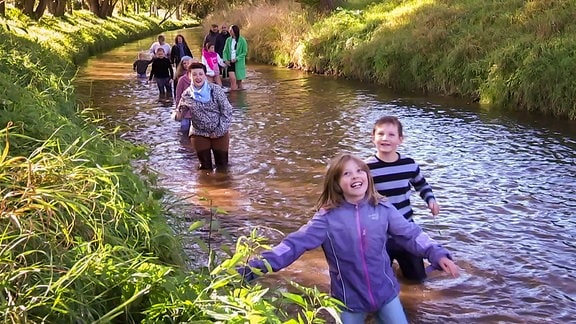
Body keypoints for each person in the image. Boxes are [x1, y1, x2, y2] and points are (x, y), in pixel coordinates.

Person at [238, 153, 459, 323]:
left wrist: (436, 253)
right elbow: (294, 245)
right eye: (347, 173)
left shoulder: (382, 208)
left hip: (386, 293)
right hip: (348, 299)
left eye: (360, 171)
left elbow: (411, 234)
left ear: (367, 177)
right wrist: (258, 267)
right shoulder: (326, 219)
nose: (356, 176)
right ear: (336, 183)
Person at [365, 115, 441, 283]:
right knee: (377, 281)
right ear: (373, 138)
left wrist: (431, 201)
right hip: (379, 234)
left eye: (391, 135)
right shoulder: (366, 168)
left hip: (406, 230)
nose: (385, 138)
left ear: (400, 139)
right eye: (381, 134)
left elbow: (422, 185)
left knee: (418, 280)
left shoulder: (409, 164)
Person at [178, 62, 233, 171]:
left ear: (205, 75)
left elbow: (227, 111)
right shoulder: (187, 94)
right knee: (205, 168)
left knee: (222, 166)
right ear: (189, 76)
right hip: (198, 133)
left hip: (219, 131)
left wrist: (219, 131)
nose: (197, 77)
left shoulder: (216, 90)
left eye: (200, 74)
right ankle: (205, 186)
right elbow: (180, 112)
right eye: (194, 74)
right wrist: (178, 115)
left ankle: (223, 185)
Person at [222, 25, 248, 90]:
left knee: (239, 82)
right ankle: (234, 98)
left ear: (235, 31)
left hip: (238, 63)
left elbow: (244, 52)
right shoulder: (228, 40)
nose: (229, 31)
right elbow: (224, 51)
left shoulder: (242, 40)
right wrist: (225, 60)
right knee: (233, 80)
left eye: (231, 30)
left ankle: (241, 97)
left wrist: (237, 58)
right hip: (230, 62)